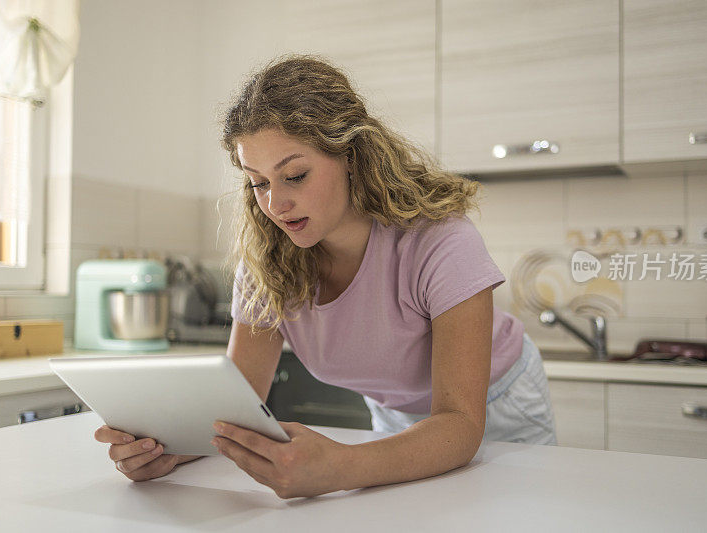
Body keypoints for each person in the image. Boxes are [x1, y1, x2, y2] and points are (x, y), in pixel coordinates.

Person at [94, 54, 556, 498]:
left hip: (498, 405)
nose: (275, 204)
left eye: (294, 175)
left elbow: (460, 423)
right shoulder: (268, 265)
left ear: (352, 155)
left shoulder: (439, 241)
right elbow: (236, 411)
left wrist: (340, 467)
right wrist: (167, 452)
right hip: (399, 422)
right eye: (258, 182)